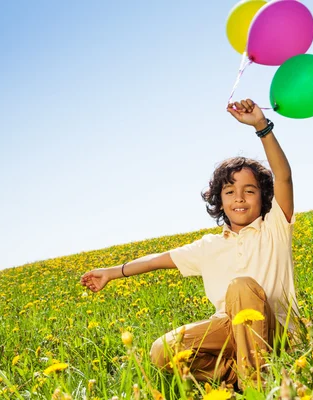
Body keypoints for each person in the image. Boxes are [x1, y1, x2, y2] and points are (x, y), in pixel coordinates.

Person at [80, 99, 298, 388]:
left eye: (249, 190)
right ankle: (232, 380)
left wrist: (261, 126)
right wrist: (110, 271)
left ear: (263, 196)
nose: (240, 198)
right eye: (230, 191)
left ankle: (258, 387)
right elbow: (156, 260)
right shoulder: (208, 247)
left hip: (277, 334)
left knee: (241, 286)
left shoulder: (274, 228)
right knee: (163, 350)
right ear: (219, 201)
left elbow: (283, 176)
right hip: (229, 333)